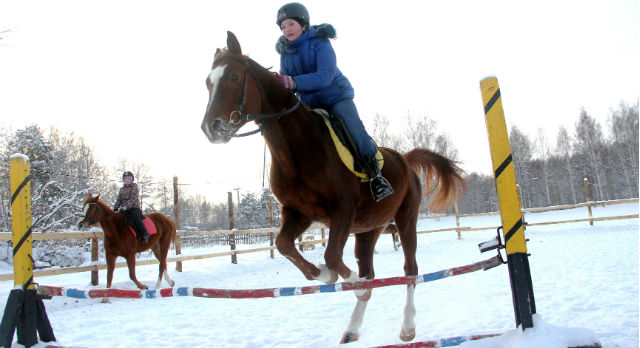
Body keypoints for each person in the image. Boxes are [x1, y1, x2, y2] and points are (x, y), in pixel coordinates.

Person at [274, 2, 394, 202]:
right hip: (310, 102)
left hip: (336, 96)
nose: (287, 30)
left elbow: (325, 76)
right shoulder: (285, 53)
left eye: (291, 24)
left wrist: (294, 82)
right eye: (283, 26)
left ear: (303, 23)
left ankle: (376, 176)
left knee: (353, 127)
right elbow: (288, 83)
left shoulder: (320, 42)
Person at [113, 171, 149, 244]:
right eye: (125, 179)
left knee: (135, 218)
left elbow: (133, 198)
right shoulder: (122, 189)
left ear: (132, 180)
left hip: (133, 207)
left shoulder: (134, 187)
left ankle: (144, 234)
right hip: (124, 209)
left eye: (128, 179)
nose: (127, 180)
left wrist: (126, 206)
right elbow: (119, 199)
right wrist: (116, 206)